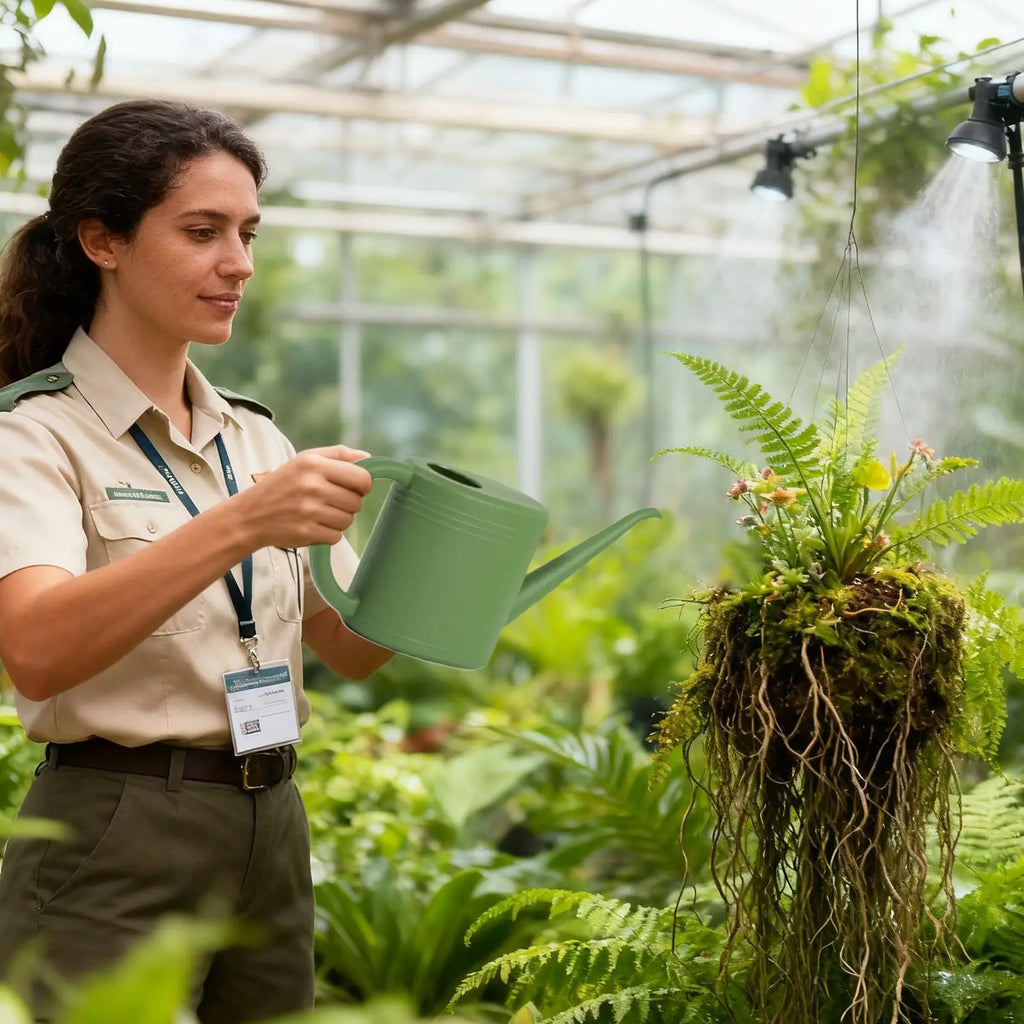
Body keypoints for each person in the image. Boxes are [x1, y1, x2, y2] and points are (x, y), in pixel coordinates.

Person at [0, 99, 393, 1023]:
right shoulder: (34, 434)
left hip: (270, 824)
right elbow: (37, 649)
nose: (239, 265)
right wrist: (245, 521)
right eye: (203, 231)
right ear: (103, 240)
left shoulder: (255, 437)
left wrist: (457, 573)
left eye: (249, 233)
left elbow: (353, 649)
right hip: (116, 826)